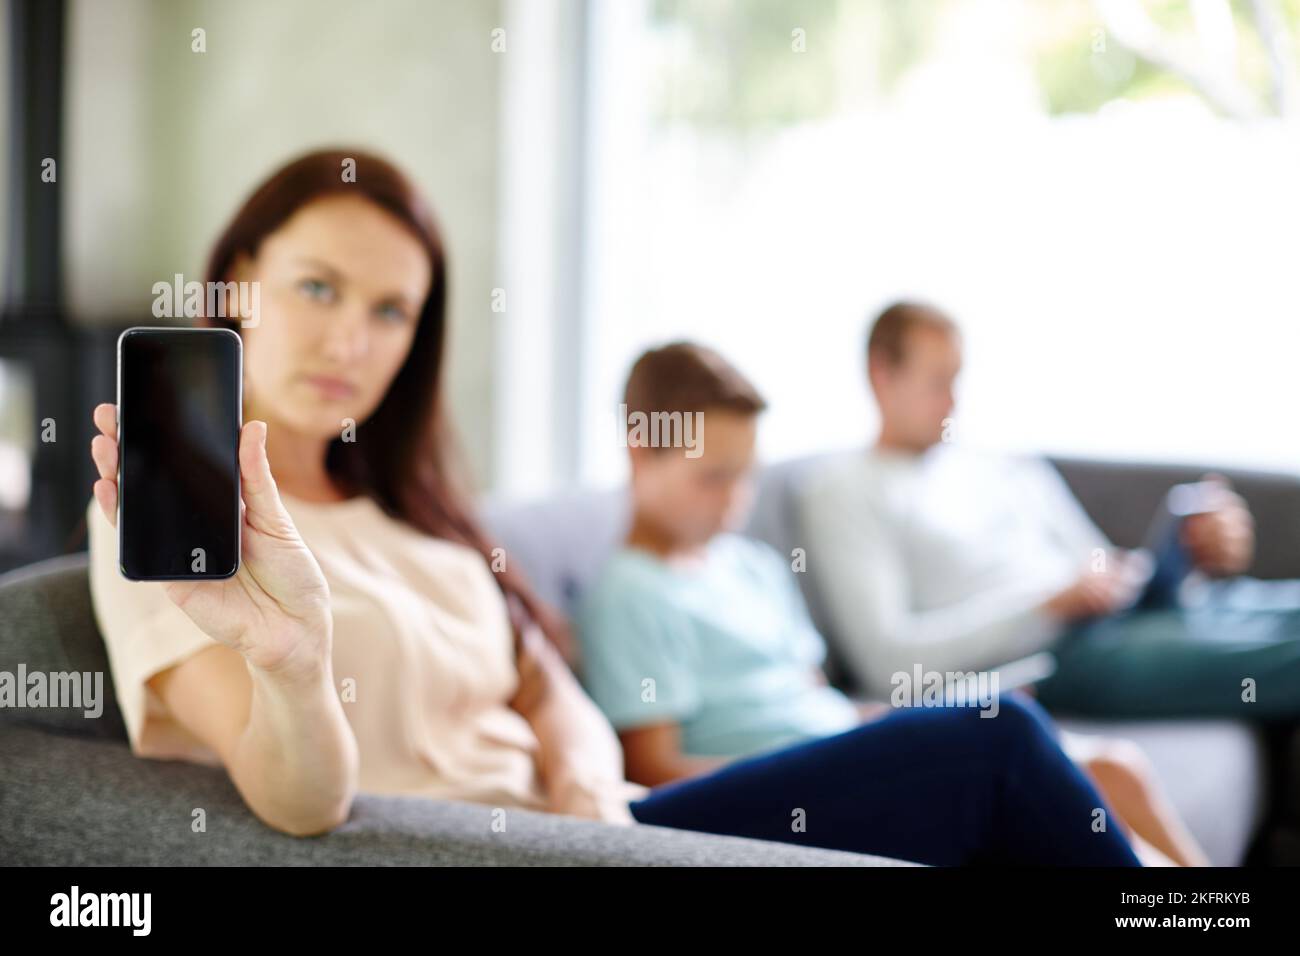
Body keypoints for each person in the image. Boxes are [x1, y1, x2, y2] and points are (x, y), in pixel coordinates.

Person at [86, 150, 1139, 865]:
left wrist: (586, 777)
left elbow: (545, 681)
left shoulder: (412, 507)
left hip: (599, 833)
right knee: (993, 748)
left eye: (391, 309)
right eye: (317, 288)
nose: (352, 340)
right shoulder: (177, 522)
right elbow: (296, 800)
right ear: (235, 280)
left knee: (1017, 782)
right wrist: (296, 661)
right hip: (480, 851)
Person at [577, 341, 1206, 866]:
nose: (733, 500)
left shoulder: (753, 566)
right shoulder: (631, 591)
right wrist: (828, 761)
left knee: (1104, 764)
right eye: (712, 477)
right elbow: (653, 769)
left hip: (830, 754)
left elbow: (814, 698)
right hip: (761, 791)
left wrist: (902, 726)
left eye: (746, 476)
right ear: (640, 449)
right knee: (1003, 733)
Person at [798, 300, 1296, 723]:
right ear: (880, 374)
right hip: (1059, 658)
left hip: (1128, 614)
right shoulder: (844, 490)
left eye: (957, 379)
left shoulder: (1002, 465)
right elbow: (888, 664)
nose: (953, 401)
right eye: (936, 382)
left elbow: (1096, 557)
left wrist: (1177, 555)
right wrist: (1044, 607)